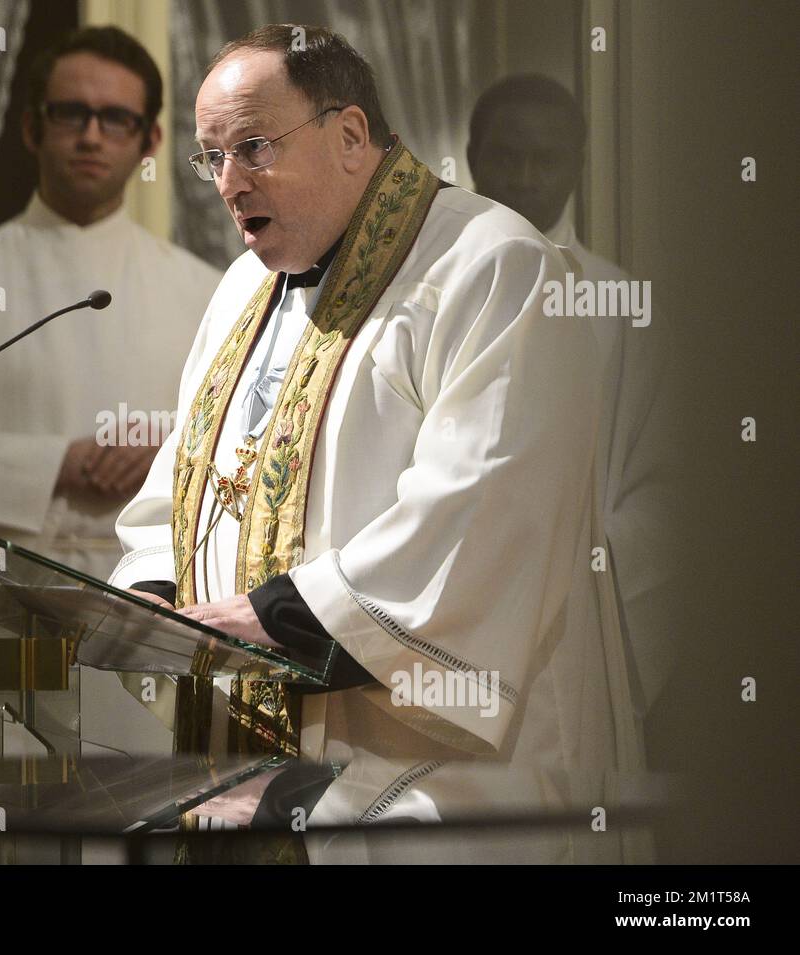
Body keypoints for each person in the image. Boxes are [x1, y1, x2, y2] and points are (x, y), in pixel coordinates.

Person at [109, 25, 649, 862]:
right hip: (248, 770)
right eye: (209, 157)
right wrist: (147, 593)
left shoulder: (494, 264)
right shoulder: (242, 290)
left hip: (422, 771)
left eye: (252, 147)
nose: (227, 183)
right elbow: (177, 484)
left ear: (352, 135)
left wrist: (275, 618)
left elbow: (484, 511)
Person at [0, 26, 221, 768]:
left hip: (147, 621)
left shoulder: (205, 293)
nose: (92, 135)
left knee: (140, 817)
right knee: (15, 825)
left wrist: (165, 457)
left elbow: (246, 444)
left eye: (115, 118)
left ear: (149, 140)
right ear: (32, 126)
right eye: (70, 113)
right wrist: (58, 464)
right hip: (8, 617)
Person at [468, 74, 676, 742]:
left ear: (579, 164)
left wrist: (586, 563)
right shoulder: (425, 293)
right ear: (472, 155)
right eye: (506, 155)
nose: (526, 177)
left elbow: (668, 486)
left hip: (580, 626)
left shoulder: (625, 311)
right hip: (453, 616)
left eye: (547, 158)